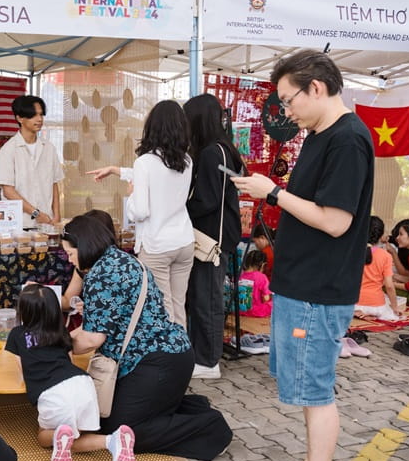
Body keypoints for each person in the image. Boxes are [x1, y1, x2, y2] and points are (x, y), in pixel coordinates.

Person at [232, 49, 374, 461]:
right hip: (300, 281)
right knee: (303, 383)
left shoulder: (349, 140)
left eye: (288, 100)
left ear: (316, 88)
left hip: (320, 285)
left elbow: (336, 221)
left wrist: (272, 192)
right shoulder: (319, 135)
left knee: (315, 391)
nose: (285, 112)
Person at [62, 214, 233, 461]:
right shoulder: (119, 261)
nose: (69, 259)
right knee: (112, 417)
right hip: (169, 356)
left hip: (156, 362)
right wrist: (65, 340)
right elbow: (97, 327)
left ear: (85, 245)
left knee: (120, 430)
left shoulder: (102, 273)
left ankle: (210, 428)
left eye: (70, 252)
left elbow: (92, 339)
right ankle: (189, 406)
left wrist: (57, 348)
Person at [7, 283, 136, 461]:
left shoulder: (17, 335)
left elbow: (23, 371)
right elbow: (70, 361)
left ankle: (60, 433)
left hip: (52, 391)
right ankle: (112, 441)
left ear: (23, 311)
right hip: (82, 384)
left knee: (43, 437)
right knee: (77, 434)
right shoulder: (62, 333)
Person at [87, 101, 195, 325]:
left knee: (162, 310)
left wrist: (132, 194)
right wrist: (116, 170)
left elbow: (140, 212)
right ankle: (184, 355)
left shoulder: (145, 162)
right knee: (178, 305)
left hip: (157, 246)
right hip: (184, 242)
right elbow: (157, 176)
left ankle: (168, 356)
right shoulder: (186, 160)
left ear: (152, 127)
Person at [184, 94, 244, 380]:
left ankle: (208, 361)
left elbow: (206, 199)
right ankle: (203, 356)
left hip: (210, 240)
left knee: (205, 299)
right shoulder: (225, 149)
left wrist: (178, 207)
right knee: (205, 297)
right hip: (222, 236)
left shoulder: (210, 153)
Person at [0, 95, 63, 227]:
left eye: (41, 115)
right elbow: (8, 191)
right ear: (19, 118)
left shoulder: (49, 148)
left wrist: (57, 215)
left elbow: (54, 183)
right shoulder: (8, 150)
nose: (39, 119)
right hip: (17, 223)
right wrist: (36, 213)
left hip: (47, 222)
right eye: (33, 115)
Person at [61, 209, 116, 315]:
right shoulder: (83, 268)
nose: (69, 260)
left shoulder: (110, 270)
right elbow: (68, 301)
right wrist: (43, 293)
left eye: (70, 254)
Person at [355, 216, 401, 322]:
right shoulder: (385, 256)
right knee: (391, 315)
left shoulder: (353, 252)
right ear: (381, 236)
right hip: (377, 306)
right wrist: (394, 308)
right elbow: (389, 286)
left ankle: (358, 313)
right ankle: (367, 314)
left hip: (353, 303)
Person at [238, 250, 272, 318]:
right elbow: (266, 298)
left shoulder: (241, 276)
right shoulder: (261, 277)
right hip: (257, 311)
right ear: (263, 265)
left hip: (241, 310)